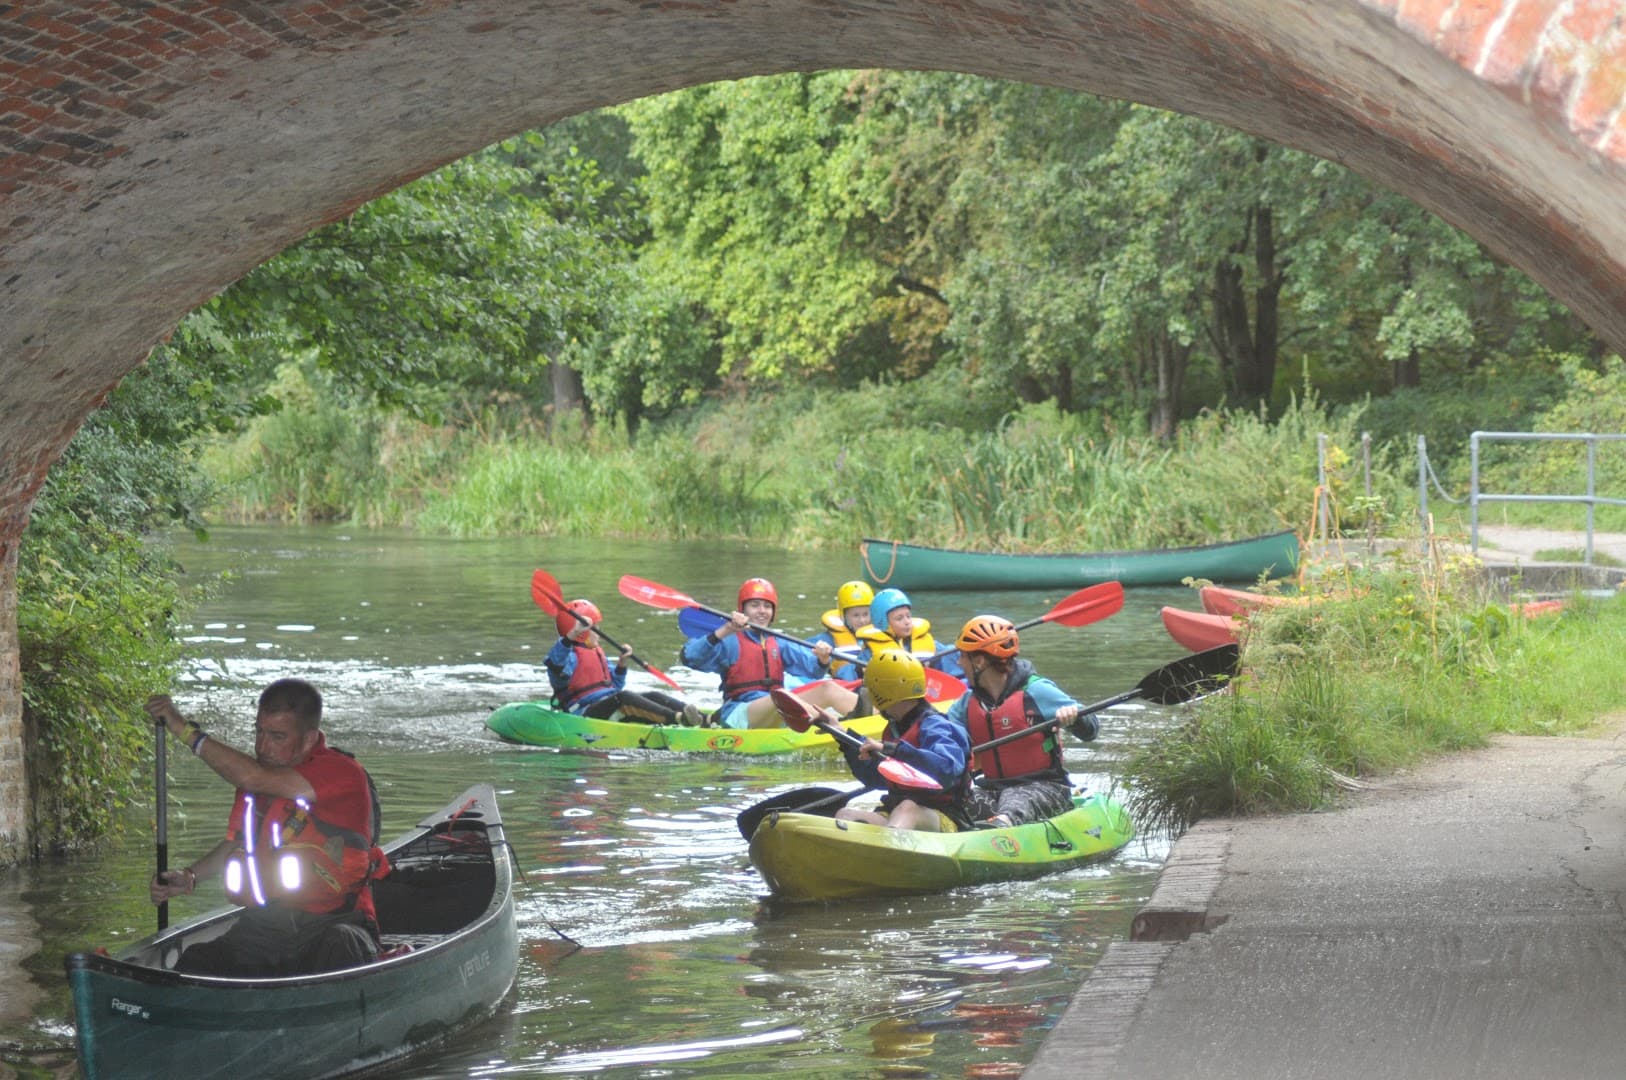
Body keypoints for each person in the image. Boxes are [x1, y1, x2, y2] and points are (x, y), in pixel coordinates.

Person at [145, 678, 389, 976]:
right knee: (199, 960)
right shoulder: (258, 778)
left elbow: (252, 777)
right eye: (259, 732)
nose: (263, 746)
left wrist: (183, 730)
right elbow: (241, 843)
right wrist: (190, 876)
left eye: (277, 736)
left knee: (341, 949)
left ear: (309, 739)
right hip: (269, 924)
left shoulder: (341, 773)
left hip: (336, 922)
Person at [946, 615, 1093, 828]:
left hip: (1046, 789)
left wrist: (1074, 719)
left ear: (979, 661)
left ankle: (1000, 828)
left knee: (1015, 798)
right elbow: (942, 733)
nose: (959, 662)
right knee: (954, 802)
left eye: (963, 656)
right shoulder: (967, 703)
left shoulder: (1037, 691)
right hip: (993, 790)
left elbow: (1091, 729)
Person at [680, 576, 858, 729]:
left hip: (779, 708)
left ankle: (873, 718)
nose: (762, 611)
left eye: (767, 606)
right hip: (739, 714)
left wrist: (823, 659)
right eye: (755, 605)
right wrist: (725, 629)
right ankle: (834, 725)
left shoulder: (778, 642)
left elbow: (813, 670)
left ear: (773, 612)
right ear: (742, 610)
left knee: (828, 688)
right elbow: (690, 657)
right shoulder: (730, 640)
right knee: (780, 696)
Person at [834, 647, 975, 832]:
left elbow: (946, 770)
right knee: (846, 816)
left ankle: (889, 855)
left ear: (882, 690)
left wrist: (894, 750)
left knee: (908, 808)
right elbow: (876, 779)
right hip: (898, 818)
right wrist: (842, 736)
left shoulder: (937, 726)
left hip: (946, 819)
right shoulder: (894, 729)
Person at [547, 598, 704, 726]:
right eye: (595, 628)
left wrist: (622, 663)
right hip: (583, 712)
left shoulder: (595, 652)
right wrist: (572, 634)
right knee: (624, 698)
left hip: (608, 704)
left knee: (653, 695)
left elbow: (615, 686)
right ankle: (679, 719)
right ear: (581, 632)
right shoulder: (566, 656)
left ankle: (704, 719)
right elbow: (556, 662)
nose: (599, 632)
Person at [849, 587, 965, 679]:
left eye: (908, 616)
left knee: (950, 651)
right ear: (883, 623)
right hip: (894, 696)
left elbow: (950, 657)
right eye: (899, 618)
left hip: (930, 691)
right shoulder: (868, 654)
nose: (907, 622)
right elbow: (856, 677)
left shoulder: (928, 643)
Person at [812, 580, 873, 658]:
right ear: (843, 616)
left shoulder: (882, 636)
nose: (862, 620)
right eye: (855, 615)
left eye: (865, 614)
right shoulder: (827, 640)